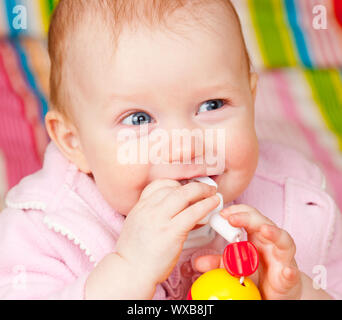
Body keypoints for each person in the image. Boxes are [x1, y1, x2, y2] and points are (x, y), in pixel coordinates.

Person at [0, 0, 341, 299]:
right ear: (75, 142)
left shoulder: (300, 202)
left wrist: (297, 293)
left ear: (251, 99)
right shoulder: (43, 229)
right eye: (138, 118)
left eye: (212, 105)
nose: (184, 147)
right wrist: (128, 273)